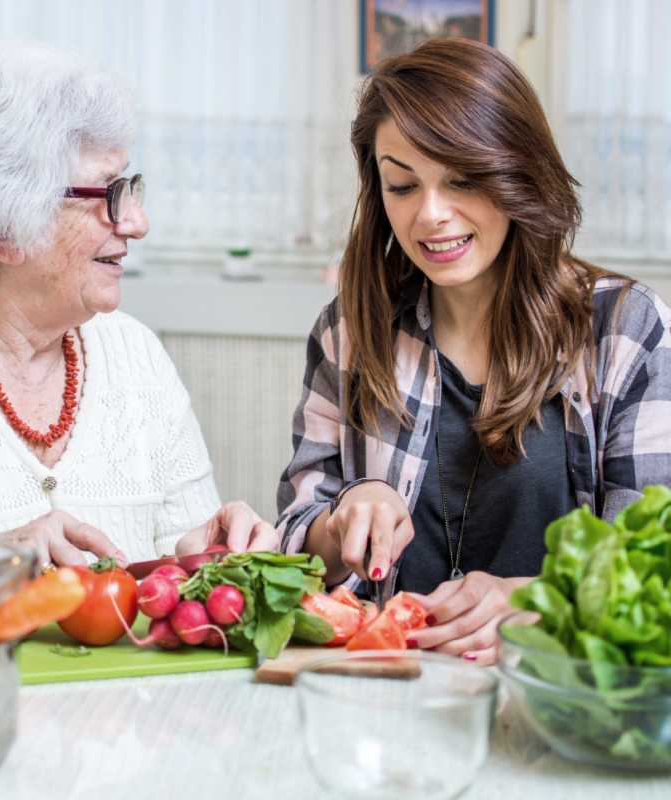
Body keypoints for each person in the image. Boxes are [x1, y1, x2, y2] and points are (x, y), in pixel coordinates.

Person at [276, 39, 671, 664]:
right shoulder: (351, 329)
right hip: (389, 698)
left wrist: (537, 600)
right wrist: (346, 512)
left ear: (517, 170)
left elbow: (656, 570)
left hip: (554, 702)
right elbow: (293, 546)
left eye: (462, 179)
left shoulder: (623, 329)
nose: (431, 215)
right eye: (403, 185)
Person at [0, 40, 279, 569]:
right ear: (1, 229)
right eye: (109, 193)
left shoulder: (135, 354)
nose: (137, 222)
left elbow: (183, 564)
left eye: (130, 186)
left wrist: (201, 560)